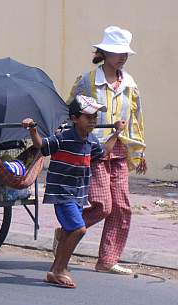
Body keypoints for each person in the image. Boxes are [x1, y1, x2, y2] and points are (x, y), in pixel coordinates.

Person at [65, 26, 146, 275]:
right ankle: (68, 231)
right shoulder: (87, 81)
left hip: (120, 148)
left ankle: (107, 260)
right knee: (102, 205)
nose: (122, 57)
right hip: (93, 149)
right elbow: (72, 112)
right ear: (104, 52)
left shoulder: (130, 84)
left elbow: (135, 118)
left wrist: (140, 150)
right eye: (117, 52)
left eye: (125, 53)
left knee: (122, 207)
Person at [22, 95, 125, 288]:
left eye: (95, 117)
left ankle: (55, 271)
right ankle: (60, 269)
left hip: (78, 195)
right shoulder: (64, 137)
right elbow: (41, 145)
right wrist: (32, 130)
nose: (93, 121)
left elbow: (103, 152)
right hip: (62, 193)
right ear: (75, 118)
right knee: (79, 229)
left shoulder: (91, 140)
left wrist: (116, 133)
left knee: (70, 231)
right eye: (88, 117)